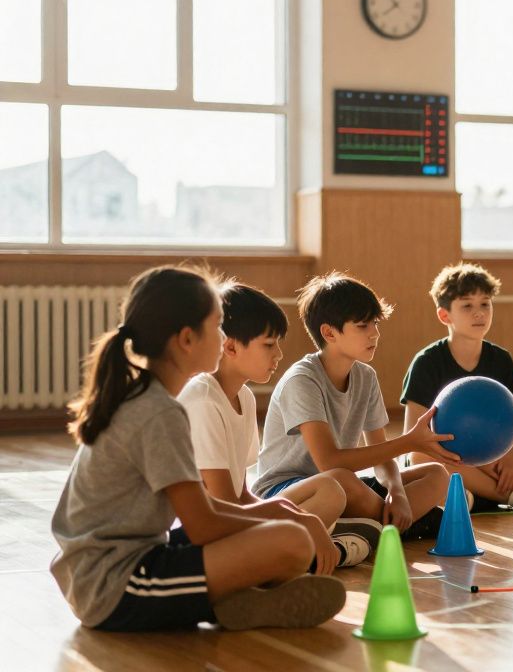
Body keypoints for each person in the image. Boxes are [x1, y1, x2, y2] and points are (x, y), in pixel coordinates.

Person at [51, 266, 345, 632]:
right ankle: (229, 597)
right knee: (290, 542)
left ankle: (239, 602)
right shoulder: (158, 411)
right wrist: (291, 517)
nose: (224, 337)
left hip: (135, 557)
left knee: (289, 539)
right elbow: (204, 524)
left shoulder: (154, 401)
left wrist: (285, 512)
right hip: (113, 584)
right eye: (219, 325)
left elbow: (214, 507)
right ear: (187, 339)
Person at [179, 280, 381, 567]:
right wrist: (300, 521)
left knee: (330, 494)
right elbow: (223, 508)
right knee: (311, 514)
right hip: (208, 539)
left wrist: (299, 518)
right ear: (231, 347)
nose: (279, 354)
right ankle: (312, 547)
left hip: (231, 524)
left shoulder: (245, 397)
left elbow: (241, 494)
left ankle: (314, 545)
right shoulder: (203, 399)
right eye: (269, 345)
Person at [253, 272, 458, 541]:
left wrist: (396, 491)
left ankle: (372, 527)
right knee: (340, 479)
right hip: (287, 492)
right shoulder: (302, 379)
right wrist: (409, 442)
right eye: (363, 326)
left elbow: (383, 458)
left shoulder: (366, 377)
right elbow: (329, 462)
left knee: (436, 475)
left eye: (375, 323)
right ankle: (399, 525)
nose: (375, 333)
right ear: (329, 332)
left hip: (341, 486)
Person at [402, 262, 513, 511]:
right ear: (445, 315)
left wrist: (511, 460)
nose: (479, 313)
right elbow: (414, 439)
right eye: (467, 305)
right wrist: (486, 465)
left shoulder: (501, 359)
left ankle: (476, 497)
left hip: (498, 459)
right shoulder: (426, 362)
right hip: (447, 458)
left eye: (485, 304)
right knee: (422, 460)